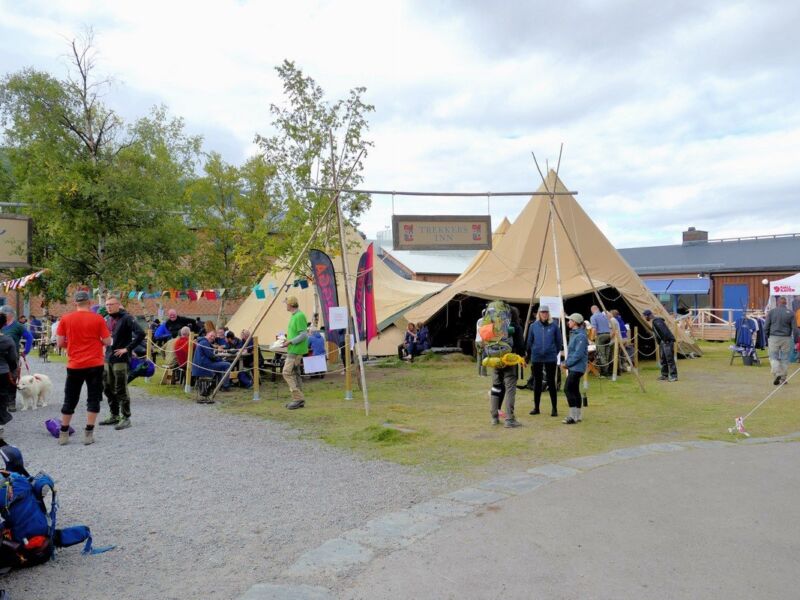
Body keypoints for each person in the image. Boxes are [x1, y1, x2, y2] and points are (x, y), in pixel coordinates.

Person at [56, 291, 113, 445]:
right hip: (95, 363)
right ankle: (88, 433)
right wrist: (97, 343)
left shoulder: (66, 319)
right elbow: (108, 341)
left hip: (74, 364)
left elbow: (60, 343)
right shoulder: (98, 319)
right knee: (93, 398)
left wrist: (73, 346)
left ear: (75, 303)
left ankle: (64, 432)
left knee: (70, 398)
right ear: (89, 302)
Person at [100, 296, 145, 430]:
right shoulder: (107, 319)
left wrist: (128, 348)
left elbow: (141, 333)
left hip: (121, 359)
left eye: (111, 304)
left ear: (118, 305)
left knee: (121, 388)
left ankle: (126, 418)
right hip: (108, 358)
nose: (108, 307)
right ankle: (114, 415)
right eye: (107, 305)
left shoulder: (126, 318)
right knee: (107, 387)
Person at [486, 302, 525, 428]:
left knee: (496, 387)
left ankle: (494, 417)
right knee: (510, 389)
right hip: (509, 361)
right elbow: (520, 347)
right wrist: (521, 356)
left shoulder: (496, 326)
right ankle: (509, 419)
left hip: (496, 360)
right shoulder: (515, 327)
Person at [525, 305, 563, 417]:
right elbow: (529, 341)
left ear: (549, 313)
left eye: (546, 312)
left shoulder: (554, 326)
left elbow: (558, 341)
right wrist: (529, 353)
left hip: (550, 357)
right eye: (542, 312)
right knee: (537, 382)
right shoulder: (533, 326)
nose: (544, 314)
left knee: (551, 382)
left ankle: (554, 409)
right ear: (539, 313)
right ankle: (536, 408)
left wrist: (553, 352)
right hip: (536, 357)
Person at [0, 306, 34, 413]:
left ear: (8, 315)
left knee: (12, 379)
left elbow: (29, 337)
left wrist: (26, 351)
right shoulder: (1, 325)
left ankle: (11, 402)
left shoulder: (18, 326)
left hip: (12, 356)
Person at [282, 296, 309, 410]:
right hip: (293, 349)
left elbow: (303, 335)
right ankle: (299, 399)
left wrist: (290, 341)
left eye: (286, 304)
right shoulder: (294, 316)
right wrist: (287, 340)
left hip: (296, 350)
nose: (285, 306)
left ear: (291, 305)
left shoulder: (299, 316)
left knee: (286, 372)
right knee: (294, 373)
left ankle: (298, 398)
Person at [764, 296, 798, 385]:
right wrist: (796, 340)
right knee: (785, 358)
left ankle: (777, 373)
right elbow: (795, 329)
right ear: (786, 303)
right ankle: (783, 379)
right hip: (786, 338)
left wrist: (767, 336)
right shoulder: (791, 313)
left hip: (773, 337)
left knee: (773, 357)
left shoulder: (771, 312)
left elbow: (766, 326)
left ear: (778, 303)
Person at [562, 313, 588, 424]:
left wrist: (567, 364)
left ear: (575, 322)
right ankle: (577, 416)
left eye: (570, 320)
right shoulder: (575, 334)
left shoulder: (580, 336)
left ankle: (572, 416)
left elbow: (578, 354)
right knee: (575, 390)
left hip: (577, 367)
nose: (568, 322)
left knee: (567, 389)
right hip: (575, 367)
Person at [191, 330, 232, 400]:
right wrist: (221, 359)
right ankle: (225, 386)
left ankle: (220, 385)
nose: (212, 338)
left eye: (214, 337)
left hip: (202, 364)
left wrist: (218, 358)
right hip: (204, 366)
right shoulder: (204, 342)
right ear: (207, 334)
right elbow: (211, 356)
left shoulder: (203, 341)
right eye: (211, 335)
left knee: (222, 365)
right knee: (227, 365)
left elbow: (210, 355)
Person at [643, 309, 677, 381]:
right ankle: (664, 375)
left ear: (648, 315)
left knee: (669, 359)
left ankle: (674, 376)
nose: (645, 318)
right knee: (663, 359)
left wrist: (666, 340)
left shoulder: (657, 321)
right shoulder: (655, 321)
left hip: (667, 342)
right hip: (663, 342)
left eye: (645, 316)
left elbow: (664, 332)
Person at [0, 314, 19, 430]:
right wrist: (14, 372)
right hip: (2, 372)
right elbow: (13, 359)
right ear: (4, 324)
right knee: (2, 398)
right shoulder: (7, 340)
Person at [589, 305, 612, 377]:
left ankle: (605, 373)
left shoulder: (593, 317)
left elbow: (594, 329)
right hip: (608, 335)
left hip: (600, 336)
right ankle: (609, 370)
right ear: (598, 309)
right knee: (607, 354)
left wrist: (592, 338)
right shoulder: (605, 316)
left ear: (592, 310)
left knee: (601, 355)